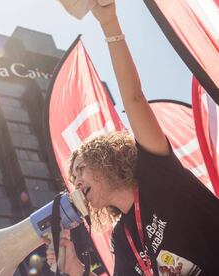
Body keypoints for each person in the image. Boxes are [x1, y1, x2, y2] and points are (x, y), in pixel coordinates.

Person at [45, 2, 219, 275]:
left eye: (81, 170)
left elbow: (135, 99)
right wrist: (75, 270)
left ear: (105, 159)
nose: (76, 183)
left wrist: (109, 24)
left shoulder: (157, 171)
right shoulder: (122, 237)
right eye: (73, 179)